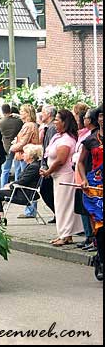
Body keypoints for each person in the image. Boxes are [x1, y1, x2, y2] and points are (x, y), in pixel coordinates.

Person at [40, 109, 83, 246]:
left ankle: (65, 235)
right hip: (57, 176)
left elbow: (60, 160)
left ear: (64, 122)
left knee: (64, 206)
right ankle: (65, 234)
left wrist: (48, 171)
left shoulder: (66, 140)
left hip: (64, 176)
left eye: (57, 120)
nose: (55, 123)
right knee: (61, 205)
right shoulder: (59, 137)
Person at [76, 105, 103, 260]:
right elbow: (80, 162)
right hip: (96, 188)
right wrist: (84, 179)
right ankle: (100, 258)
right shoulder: (90, 140)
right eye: (101, 115)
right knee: (100, 226)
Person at [0, 144, 43, 220]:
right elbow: (23, 180)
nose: (22, 155)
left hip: (24, 194)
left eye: (24, 153)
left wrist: (10, 186)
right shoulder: (32, 165)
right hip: (22, 191)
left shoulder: (33, 167)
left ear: (30, 156)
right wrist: (11, 184)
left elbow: (23, 181)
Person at [10, 104, 40, 218]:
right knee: (27, 181)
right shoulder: (31, 125)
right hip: (26, 154)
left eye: (22, 111)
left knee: (27, 182)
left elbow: (24, 142)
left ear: (28, 113)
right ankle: (30, 209)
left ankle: (30, 210)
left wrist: (12, 147)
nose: (20, 113)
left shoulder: (28, 125)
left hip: (26, 155)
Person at [72, 106, 96, 250]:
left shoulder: (92, 137)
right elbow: (80, 159)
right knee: (85, 209)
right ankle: (90, 237)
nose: (83, 120)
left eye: (86, 117)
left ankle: (93, 238)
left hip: (91, 175)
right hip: (83, 176)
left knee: (92, 211)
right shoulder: (87, 137)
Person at [39, 105, 58, 221]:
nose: (41, 115)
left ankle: (57, 213)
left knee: (46, 190)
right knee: (48, 190)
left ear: (49, 114)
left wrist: (45, 165)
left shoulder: (51, 128)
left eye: (43, 113)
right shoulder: (49, 127)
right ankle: (57, 213)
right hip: (48, 164)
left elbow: (50, 147)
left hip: (50, 165)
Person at [0, 103, 24, 187]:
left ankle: (3, 187)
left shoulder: (0, 122)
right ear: (10, 110)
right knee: (18, 169)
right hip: (17, 145)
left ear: (2, 111)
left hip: (6, 147)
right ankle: (16, 187)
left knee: (5, 169)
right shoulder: (18, 121)